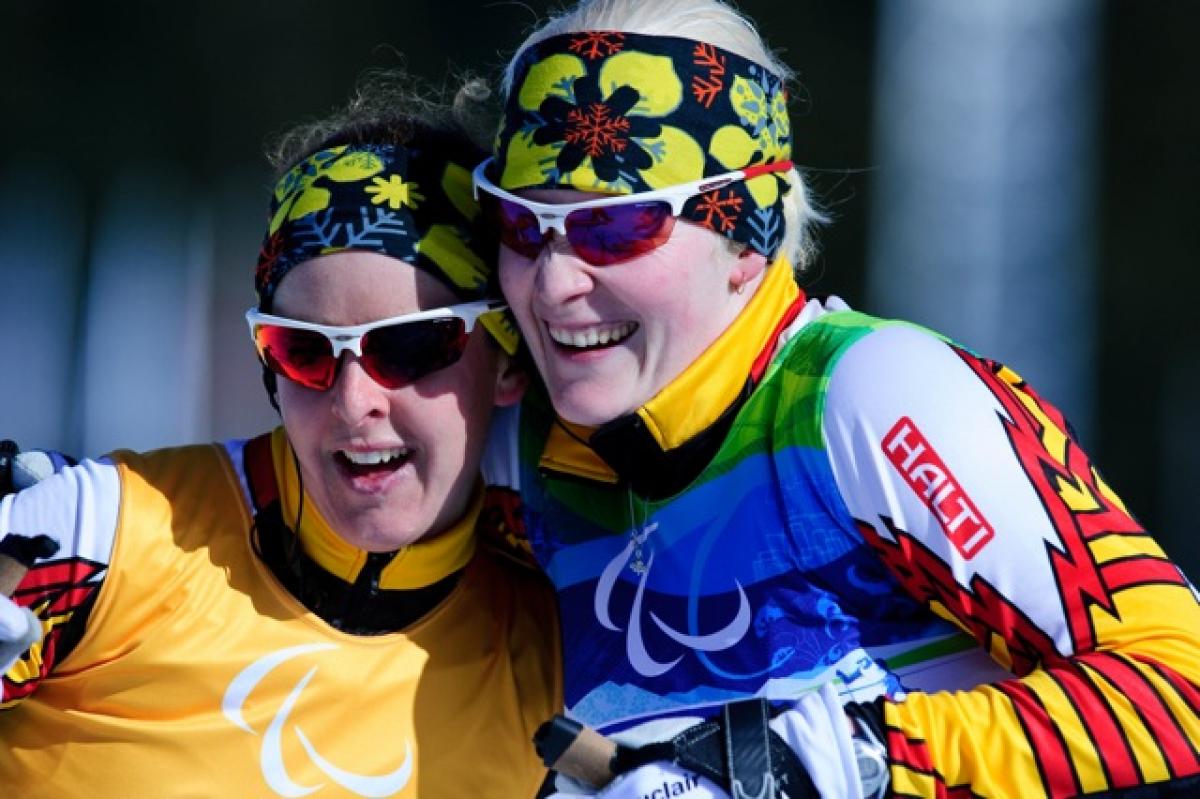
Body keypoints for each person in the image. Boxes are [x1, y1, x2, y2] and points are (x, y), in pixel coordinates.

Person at [472, 1, 1200, 796]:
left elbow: (1181, 682)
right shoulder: (524, 445)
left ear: (742, 235)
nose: (552, 283)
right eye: (519, 223)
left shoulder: (865, 398)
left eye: (614, 228)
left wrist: (844, 758)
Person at [0, 77, 561, 797]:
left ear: (508, 356)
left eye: (412, 347)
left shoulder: (559, 633)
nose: (355, 401)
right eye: (306, 352)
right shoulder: (105, 533)